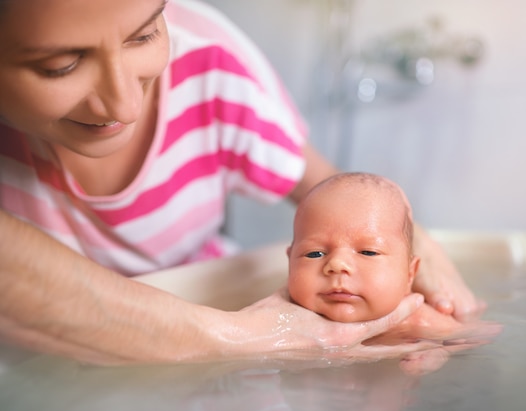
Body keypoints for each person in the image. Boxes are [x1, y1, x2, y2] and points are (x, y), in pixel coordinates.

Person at [0, 0, 481, 366]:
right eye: (58, 66)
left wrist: (428, 302)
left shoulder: (209, 64)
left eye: (144, 35)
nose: (125, 107)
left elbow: (349, 201)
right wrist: (244, 338)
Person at [287, 172, 487, 343]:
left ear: (410, 274)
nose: (337, 264)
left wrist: (436, 349)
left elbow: (479, 336)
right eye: (315, 254)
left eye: (368, 252)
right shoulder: (279, 315)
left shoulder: (419, 321)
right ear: (290, 263)